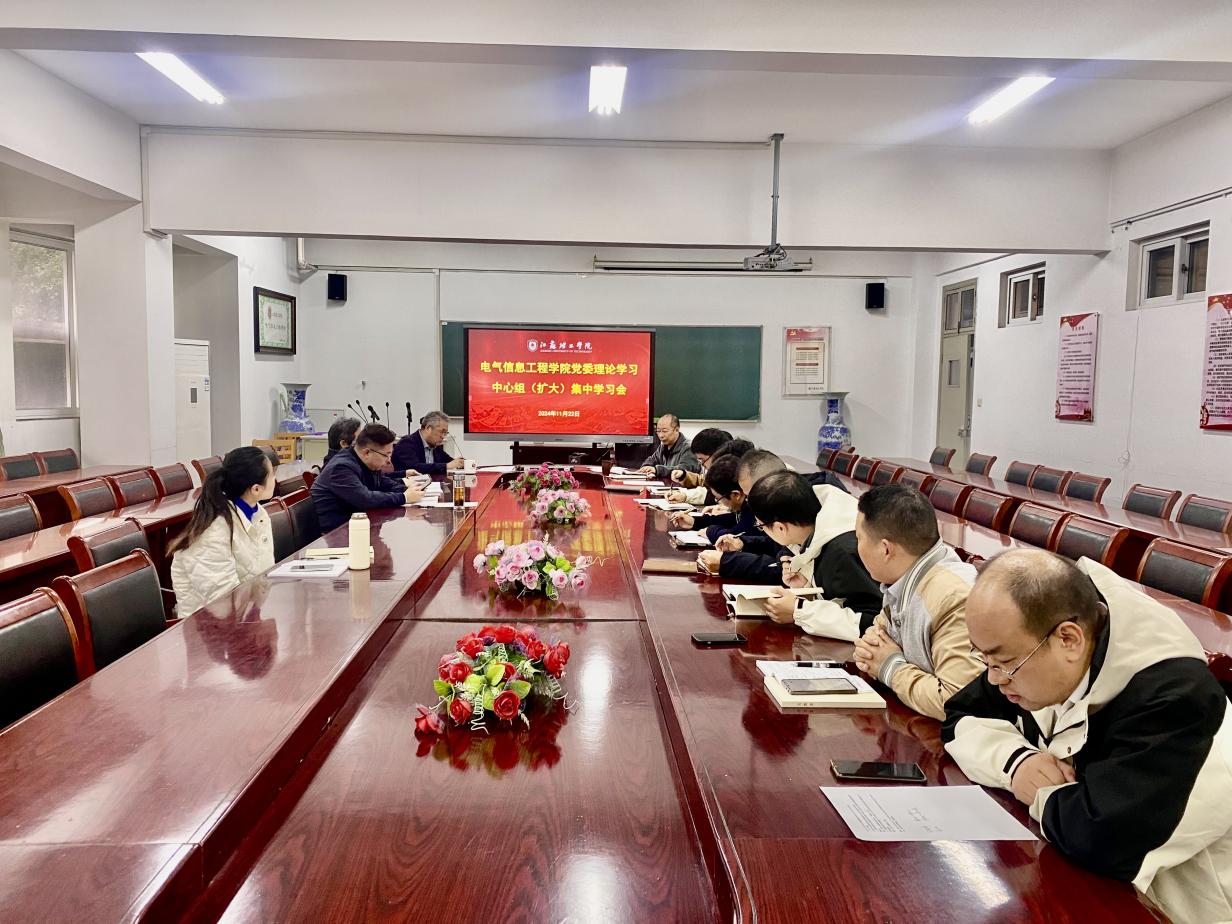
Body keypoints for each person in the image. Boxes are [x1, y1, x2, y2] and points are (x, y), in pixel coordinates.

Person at [943, 550, 1232, 924]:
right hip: (1083, 878)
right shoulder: (1039, 645)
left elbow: (1104, 839)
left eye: (1004, 664)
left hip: (1170, 906)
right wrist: (1017, 763)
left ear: (1068, 638)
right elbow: (962, 714)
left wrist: (1043, 792)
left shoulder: (1175, 702)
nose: (995, 679)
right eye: (986, 661)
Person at [851, 484, 983, 720]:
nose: (856, 546)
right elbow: (875, 644)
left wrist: (890, 668)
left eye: (858, 538)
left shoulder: (954, 600)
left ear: (885, 549)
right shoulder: (906, 575)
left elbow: (957, 703)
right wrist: (873, 653)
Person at [745, 471, 882, 640]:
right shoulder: (819, 515)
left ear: (781, 528)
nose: (762, 530)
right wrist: (808, 586)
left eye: (760, 526)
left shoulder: (842, 550)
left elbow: (873, 621)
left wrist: (800, 610)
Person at [169, 446, 276, 615]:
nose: (275, 479)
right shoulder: (214, 531)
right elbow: (222, 604)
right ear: (256, 489)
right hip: (208, 624)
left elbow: (264, 573)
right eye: (272, 475)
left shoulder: (258, 515)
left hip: (245, 616)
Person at [312, 423, 425, 532]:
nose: (388, 461)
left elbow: (383, 482)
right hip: (337, 532)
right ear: (367, 452)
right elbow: (364, 499)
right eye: (386, 455)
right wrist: (404, 497)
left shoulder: (366, 462)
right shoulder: (341, 467)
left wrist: (409, 491)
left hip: (359, 524)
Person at [666, 427, 732, 503]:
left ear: (717, 455)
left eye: (703, 460)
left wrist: (686, 496)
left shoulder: (731, 473)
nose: (702, 464)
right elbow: (704, 480)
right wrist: (683, 475)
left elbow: (713, 495)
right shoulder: (717, 472)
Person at [393, 411, 464, 477]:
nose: (443, 436)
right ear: (428, 428)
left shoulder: (435, 446)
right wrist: (446, 466)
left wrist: (462, 463)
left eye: (445, 433)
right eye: (442, 432)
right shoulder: (406, 443)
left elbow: (449, 461)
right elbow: (415, 468)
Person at [638, 413, 700, 479]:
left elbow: (683, 470)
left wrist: (657, 470)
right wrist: (646, 467)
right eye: (658, 431)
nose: (661, 435)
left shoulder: (689, 447)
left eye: (665, 431)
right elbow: (651, 460)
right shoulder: (663, 446)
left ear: (676, 430)